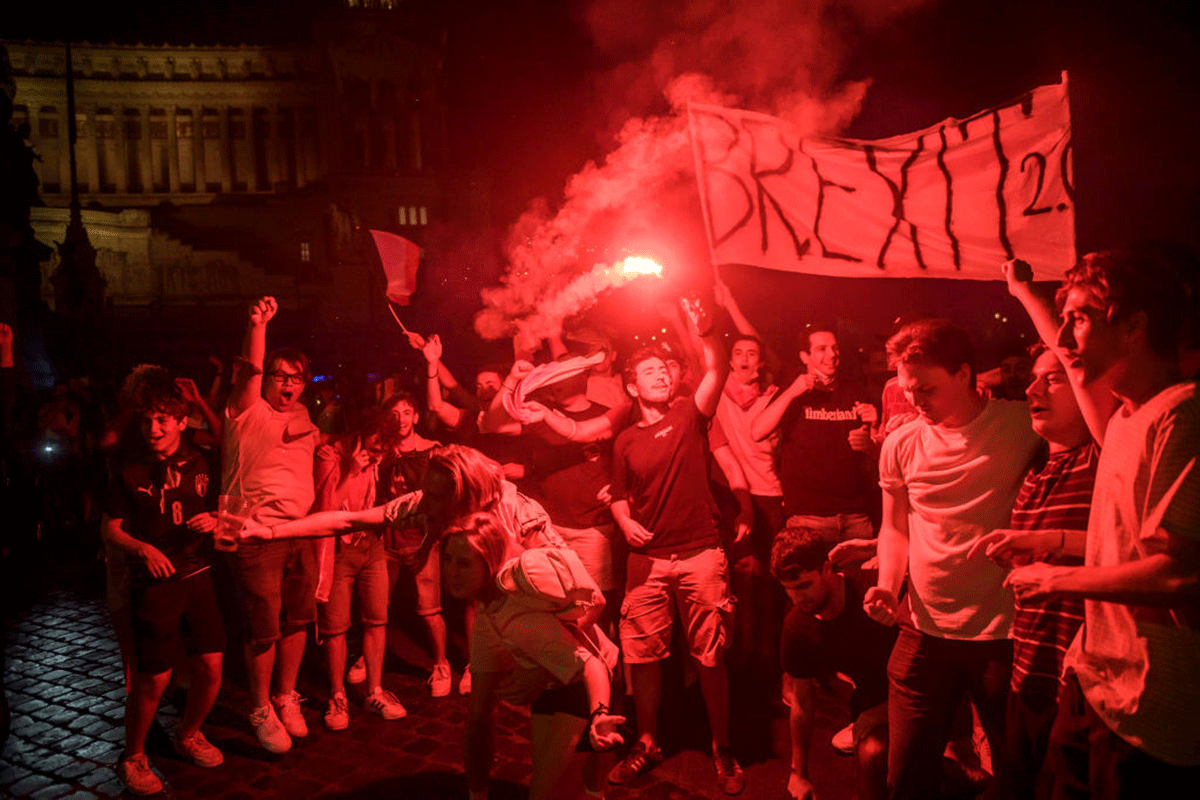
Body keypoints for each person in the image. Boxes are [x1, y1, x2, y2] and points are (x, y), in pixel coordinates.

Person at [1002, 252, 1200, 796]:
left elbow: (1182, 576)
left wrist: (1054, 577)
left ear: (1135, 325)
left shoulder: (1181, 416)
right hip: (1094, 683)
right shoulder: (1125, 419)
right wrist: (1049, 541)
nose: (1064, 337)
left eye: (1081, 318)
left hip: (1151, 711)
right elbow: (1129, 547)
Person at [866, 318, 1041, 800]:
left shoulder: (1021, 424)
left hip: (1000, 636)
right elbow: (896, 526)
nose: (916, 401)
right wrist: (887, 583)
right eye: (907, 390)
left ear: (965, 374)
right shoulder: (902, 443)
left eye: (927, 388)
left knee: (1017, 780)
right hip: (922, 632)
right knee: (903, 781)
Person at [605, 294, 745, 795]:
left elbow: (717, 368)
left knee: (709, 656)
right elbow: (619, 497)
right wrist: (623, 523)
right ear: (631, 385)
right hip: (648, 562)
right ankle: (647, 742)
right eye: (649, 371)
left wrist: (707, 329)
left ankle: (722, 746)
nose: (661, 375)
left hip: (701, 555)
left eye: (664, 369)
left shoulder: (689, 415)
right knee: (642, 657)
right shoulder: (624, 442)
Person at [968, 343, 1104, 798]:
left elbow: (1125, 550)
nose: (1032, 389)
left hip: (1078, 682)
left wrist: (1045, 543)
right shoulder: (1033, 469)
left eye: (1054, 378)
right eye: (1033, 378)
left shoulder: (1099, 460)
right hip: (1027, 669)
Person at [446, 513, 625, 800]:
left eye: (464, 563)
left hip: (583, 690)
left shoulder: (518, 616)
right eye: (448, 560)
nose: (452, 572)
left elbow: (590, 665)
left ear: (489, 563)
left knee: (547, 794)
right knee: (559, 786)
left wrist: (600, 716)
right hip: (553, 687)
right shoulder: (487, 612)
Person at [103, 382, 225, 795]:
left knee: (211, 666)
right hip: (155, 585)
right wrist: (143, 550)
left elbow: (222, 509)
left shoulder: (203, 461)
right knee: (153, 679)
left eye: (161, 420)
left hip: (198, 576)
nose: (152, 428)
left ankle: (189, 734)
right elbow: (110, 529)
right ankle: (133, 756)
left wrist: (214, 519)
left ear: (180, 422)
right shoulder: (130, 469)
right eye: (146, 420)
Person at [221, 296, 320, 754]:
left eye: (295, 377)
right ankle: (259, 706)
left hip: (301, 533)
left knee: (298, 620)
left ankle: (286, 695)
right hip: (256, 536)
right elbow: (251, 372)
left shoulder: (306, 423)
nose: (287, 383)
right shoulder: (246, 411)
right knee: (264, 628)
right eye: (279, 375)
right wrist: (257, 325)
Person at [771, 525, 896, 800]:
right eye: (789, 590)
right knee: (871, 758)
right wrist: (799, 774)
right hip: (870, 700)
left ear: (828, 569)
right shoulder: (797, 627)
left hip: (919, 693)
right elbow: (802, 702)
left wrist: (884, 712)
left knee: (881, 757)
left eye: (804, 585)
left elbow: (928, 664)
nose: (798, 598)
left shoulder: (872, 591)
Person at [311, 410, 407, 730]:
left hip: (371, 544)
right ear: (361, 433)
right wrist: (351, 472)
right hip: (339, 548)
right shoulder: (333, 456)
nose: (380, 450)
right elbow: (325, 510)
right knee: (336, 627)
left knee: (377, 619)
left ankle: (375, 690)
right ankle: (337, 696)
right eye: (377, 442)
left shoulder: (381, 458)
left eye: (385, 446)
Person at [752, 323, 879, 544]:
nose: (831, 355)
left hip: (855, 516)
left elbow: (875, 451)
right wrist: (792, 392)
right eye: (822, 349)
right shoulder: (794, 392)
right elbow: (757, 431)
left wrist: (871, 437)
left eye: (834, 348)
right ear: (805, 356)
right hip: (808, 518)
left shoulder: (855, 391)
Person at [373, 391, 458, 698]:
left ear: (417, 417)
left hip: (421, 540)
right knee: (377, 607)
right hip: (385, 540)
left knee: (429, 609)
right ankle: (369, 659)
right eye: (394, 414)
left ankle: (440, 664)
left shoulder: (432, 452)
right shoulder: (380, 451)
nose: (401, 419)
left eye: (407, 412)